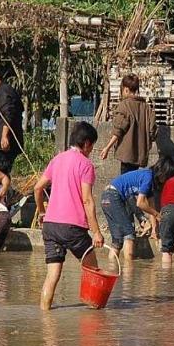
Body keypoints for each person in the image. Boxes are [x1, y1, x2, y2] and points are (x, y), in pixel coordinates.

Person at [34, 122, 104, 310]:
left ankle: (45, 318)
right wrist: (96, 232)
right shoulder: (86, 165)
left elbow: (38, 188)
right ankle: (95, 314)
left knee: (52, 275)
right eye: (92, 146)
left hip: (50, 225)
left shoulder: (57, 159)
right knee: (93, 270)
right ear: (87, 143)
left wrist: (42, 211)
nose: (92, 151)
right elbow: (87, 200)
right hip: (72, 227)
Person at [100, 157, 174, 261]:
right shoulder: (148, 176)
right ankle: (129, 273)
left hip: (106, 197)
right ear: (163, 173)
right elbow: (140, 203)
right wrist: (157, 215)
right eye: (168, 177)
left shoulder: (150, 181)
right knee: (129, 234)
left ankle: (112, 271)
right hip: (113, 196)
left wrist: (154, 230)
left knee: (117, 241)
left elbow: (151, 206)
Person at [99, 74, 158, 173]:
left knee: (126, 183)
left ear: (126, 89)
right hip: (141, 156)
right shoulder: (147, 108)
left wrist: (107, 148)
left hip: (126, 156)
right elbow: (153, 132)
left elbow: (118, 131)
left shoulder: (124, 106)